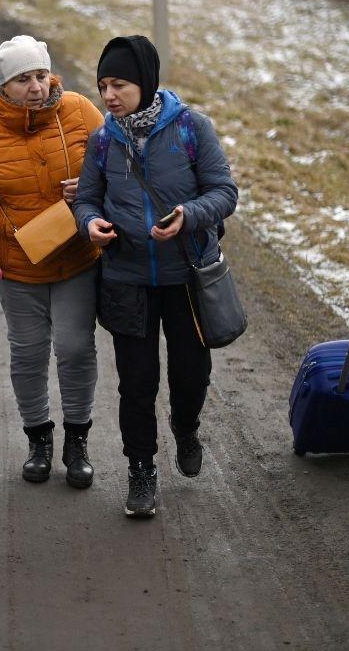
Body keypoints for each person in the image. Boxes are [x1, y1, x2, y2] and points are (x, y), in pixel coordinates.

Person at [73, 35, 238, 517]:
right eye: (103, 85)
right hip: (125, 279)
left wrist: (189, 214)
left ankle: (185, 426)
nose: (108, 95)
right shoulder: (103, 139)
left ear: (145, 83)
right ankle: (140, 470)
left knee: (191, 374)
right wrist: (91, 224)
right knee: (136, 383)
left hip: (185, 277)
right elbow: (86, 198)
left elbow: (224, 192)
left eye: (119, 84)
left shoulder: (191, 128)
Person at [0, 35, 104, 490]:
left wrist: (91, 184)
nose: (35, 87)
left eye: (39, 75)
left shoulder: (80, 110)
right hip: (19, 267)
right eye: (22, 79)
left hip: (76, 259)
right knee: (29, 354)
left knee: (74, 347)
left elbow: (121, 164)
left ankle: (77, 440)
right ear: (4, 85)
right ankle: (39, 440)